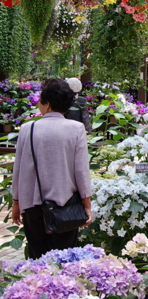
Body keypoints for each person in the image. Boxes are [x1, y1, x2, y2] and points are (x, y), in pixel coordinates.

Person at [11, 78, 92, 259]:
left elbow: (18, 171)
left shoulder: (27, 129)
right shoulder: (76, 128)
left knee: (37, 258)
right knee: (64, 260)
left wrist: (16, 203)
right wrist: (87, 205)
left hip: (33, 205)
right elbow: (81, 171)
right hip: (66, 205)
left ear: (47, 103)